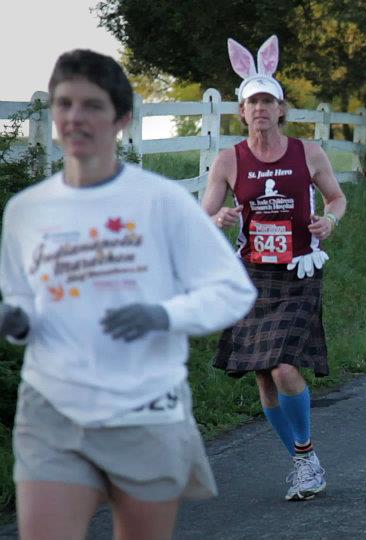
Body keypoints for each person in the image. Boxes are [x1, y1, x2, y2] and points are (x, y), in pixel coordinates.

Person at [1, 49, 256, 540]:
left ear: (120, 118)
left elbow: (230, 290)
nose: (75, 117)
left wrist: (162, 315)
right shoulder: (26, 210)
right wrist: (17, 321)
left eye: (92, 105)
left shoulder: (160, 202)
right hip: (52, 407)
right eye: (64, 104)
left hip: (144, 407)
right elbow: (25, 300)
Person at [201, 36, 347, 501]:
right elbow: (205, 214)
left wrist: (330, 220)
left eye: (268, 101)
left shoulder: (307, 153)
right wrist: (219, 218)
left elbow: (337, 198)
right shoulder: (228, 160)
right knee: (263, 375)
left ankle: (304, 458)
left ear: (282, 109)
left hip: (299, 270)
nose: (260, 109)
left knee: (284, 367)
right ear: (241, 113)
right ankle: (304, 462)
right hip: (251, 275)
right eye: (252, 102)